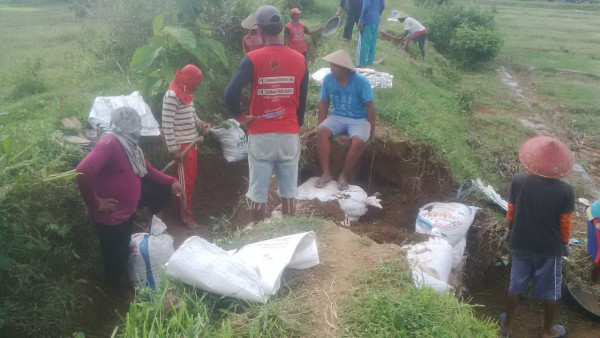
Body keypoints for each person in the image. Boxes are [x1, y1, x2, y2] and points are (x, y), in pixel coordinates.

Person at [76, 107, 182, 294]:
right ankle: (115, 291)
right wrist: (95, 202)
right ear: (128, 125)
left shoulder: (129, 145)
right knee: (115, 256)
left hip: (126, 209)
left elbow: (147, 170)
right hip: (112, 215)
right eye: (138, 123)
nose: (140, 127)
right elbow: (84, 171)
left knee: (161, 191)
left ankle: (149, 233)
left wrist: (171, 181)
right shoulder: (109, 144)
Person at [224, 5, 309, 222]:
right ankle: (289, 229)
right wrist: (294, 125)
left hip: (261, 134)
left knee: (258, 191)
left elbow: (230, 93)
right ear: (282, 28)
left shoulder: (253, 58)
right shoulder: (300, 59)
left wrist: (242, 118)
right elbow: (302, 100)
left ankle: (257, 232)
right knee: (289, 190)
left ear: (259, 31)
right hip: (289, 133)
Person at [499, 136, 574, 338]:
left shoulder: (519, 181)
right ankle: (547, 330)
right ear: (559, 167)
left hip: (520, 242)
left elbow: (512, 209)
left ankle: (507, 325)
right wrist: (565, 244)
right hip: (549, 250)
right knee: (551, 291)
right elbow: (565, 222)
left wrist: (509, 230)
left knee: (515, 286)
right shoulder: (565, 190)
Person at [315, 49, 376, 191]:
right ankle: (326, 173)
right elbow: (324, 103)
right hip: (337, 116)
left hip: (359, 119)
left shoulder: (361, 82)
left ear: (345, 68)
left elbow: (370, 107)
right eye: (331, 65)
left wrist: (372, 128)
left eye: (336, 66)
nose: (332, 69)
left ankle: (343, 175)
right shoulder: (328, 79)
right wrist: (320, 125)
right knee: (321, 132)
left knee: (359, 141)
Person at [161, 64, 210, 229]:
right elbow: (167, 125)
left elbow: (193, 116)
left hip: (191, 145)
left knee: (189, 182)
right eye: (197, 82)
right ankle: (186, 217)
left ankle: (179, 210)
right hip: (181, 148)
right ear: (189, 80)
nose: (198, 86)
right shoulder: (172, 95)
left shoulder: (187, 93)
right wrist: (173, 149)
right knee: (183, 184)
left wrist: (201, 124)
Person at [357, 0, 385, 67]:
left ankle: (362, 64)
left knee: (364, 42)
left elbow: (366, 6)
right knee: (372, 42)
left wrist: (361, 18)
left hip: (367, 20)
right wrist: (377, 14)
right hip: (376, 20)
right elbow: (383, 6)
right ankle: (369, 62)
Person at [585, 200, 600, 290]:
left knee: (594, 246)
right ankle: (593, 282)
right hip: (597, 217)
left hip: (594, 211)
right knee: (598, 256)